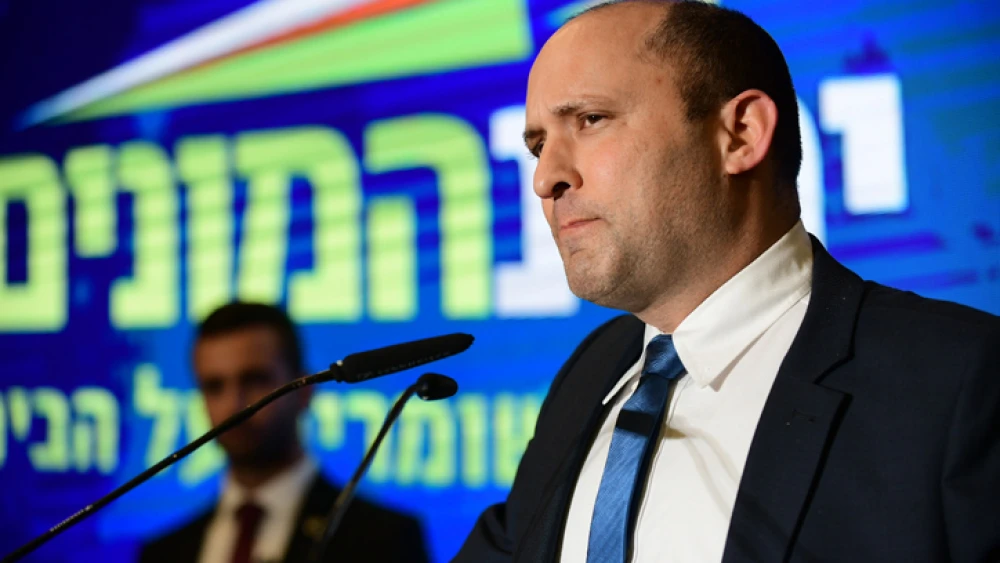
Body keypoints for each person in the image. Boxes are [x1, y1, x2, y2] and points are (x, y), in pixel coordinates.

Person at [454, 1, 1000, 562]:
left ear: (740, 134)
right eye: (539, 145)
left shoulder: (959, 383)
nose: (545, 178)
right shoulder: (593, 371)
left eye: (590, 120)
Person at [138, 302, 429, 563]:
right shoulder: (162, 553)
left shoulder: (383, 540)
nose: (234, 405)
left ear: (305, 391)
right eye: (214, 386)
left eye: (254, 380)